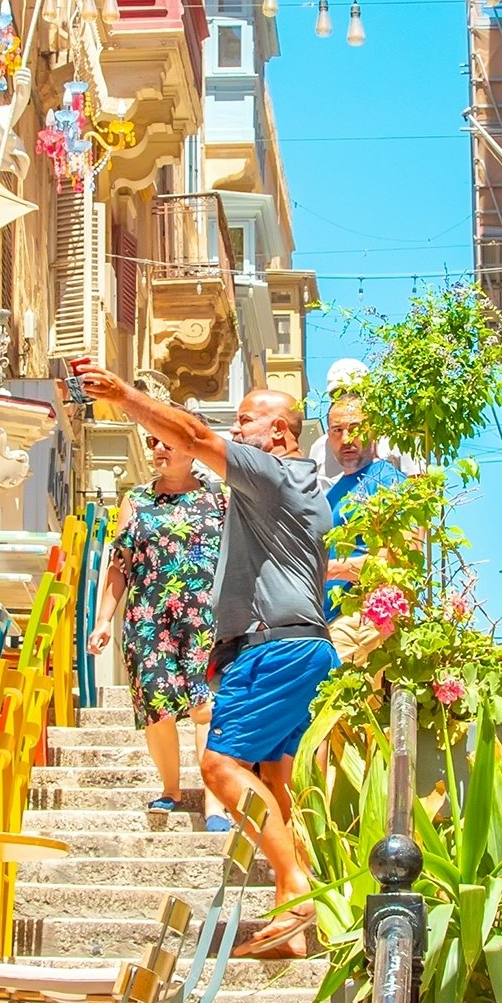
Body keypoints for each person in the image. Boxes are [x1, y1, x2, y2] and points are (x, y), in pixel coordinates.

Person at [72, 362, 332, 957]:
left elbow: (191, 436)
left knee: (218, 768)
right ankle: (290, 919)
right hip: (303, 643)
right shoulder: (306, 490)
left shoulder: (270, 472)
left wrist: (123, 395)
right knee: (275, 780)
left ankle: (297, 888)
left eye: (247, 421)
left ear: (282, 434)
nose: (236, 430)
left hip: (271, 648)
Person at [100, 433, 224, 821]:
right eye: (153, 441)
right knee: (157, 708)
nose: (159, 449)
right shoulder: (136, 500)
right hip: (148, 619)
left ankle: (215, 801)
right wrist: (103, 618)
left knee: (205, 706)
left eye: (168, 442)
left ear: (192, 448)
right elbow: (121, 564)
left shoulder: (219, 497)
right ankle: (170, 788)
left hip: (205, 617)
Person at [316, 387, 406, 598]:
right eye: (337, 430)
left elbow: (402, 557)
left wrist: (327, 570)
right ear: (328, 436)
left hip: (364, 621)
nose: (346, 439)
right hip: (327, 622)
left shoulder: (389, 482)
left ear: (373, 431)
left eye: (355, 428)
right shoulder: (330, 495)